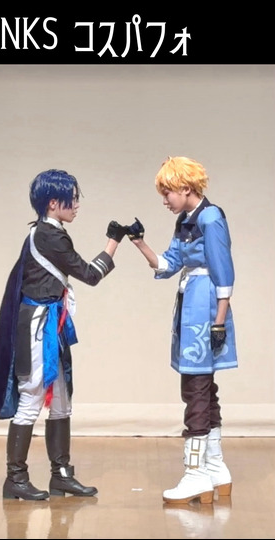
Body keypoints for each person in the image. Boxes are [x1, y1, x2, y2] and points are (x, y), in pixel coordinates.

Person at [0, 169, 122, 500]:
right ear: (53, 203)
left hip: (51, 325)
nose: (77, 205)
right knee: (31, 397)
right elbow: (89, 274)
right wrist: (113, 241)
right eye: (72, 198)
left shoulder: (46, 232)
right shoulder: (49, 236)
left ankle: (61, 475)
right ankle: (15, 478)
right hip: (39, 326)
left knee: (60, 400)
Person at [120, 156, 236, 505]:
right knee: (204, 388)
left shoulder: (211, 218)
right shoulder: (186, 220)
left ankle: (196, 473)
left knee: (196, 389)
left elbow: (224, 271)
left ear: (186, 188)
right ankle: (215, 468)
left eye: (167, 192)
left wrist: (219, 321)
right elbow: (170, 263)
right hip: (190, 304)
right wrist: (139, 242)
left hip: (205, 308)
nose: (164, 200)